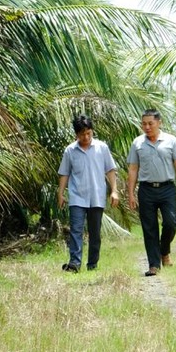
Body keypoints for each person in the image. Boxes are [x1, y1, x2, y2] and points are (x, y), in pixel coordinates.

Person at [126, 109, 176, 277]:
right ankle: (154, 265)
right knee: (149, 229)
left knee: (171, 223)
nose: (147, 127)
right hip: (146, 190)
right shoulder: (137, 143)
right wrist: (131, 194)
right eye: (144, 124)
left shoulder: (171, 140)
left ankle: (164, 251)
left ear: (159, 123)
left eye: (150, 123)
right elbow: (133, 169)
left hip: (167, 189)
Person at [57, 114, 119, 272]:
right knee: (76, 230)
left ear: (92, 131)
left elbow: (110, 170)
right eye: (82, 134)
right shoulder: (70, 150)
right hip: (77, 197)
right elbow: (64, 173)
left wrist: (114, 191)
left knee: (95, 233)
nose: (86, 137)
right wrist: (61, 193)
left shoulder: (101, 148)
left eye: (88, 133)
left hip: (97, 196)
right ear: (76, 134)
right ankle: (74, 264)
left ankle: (92, 264)